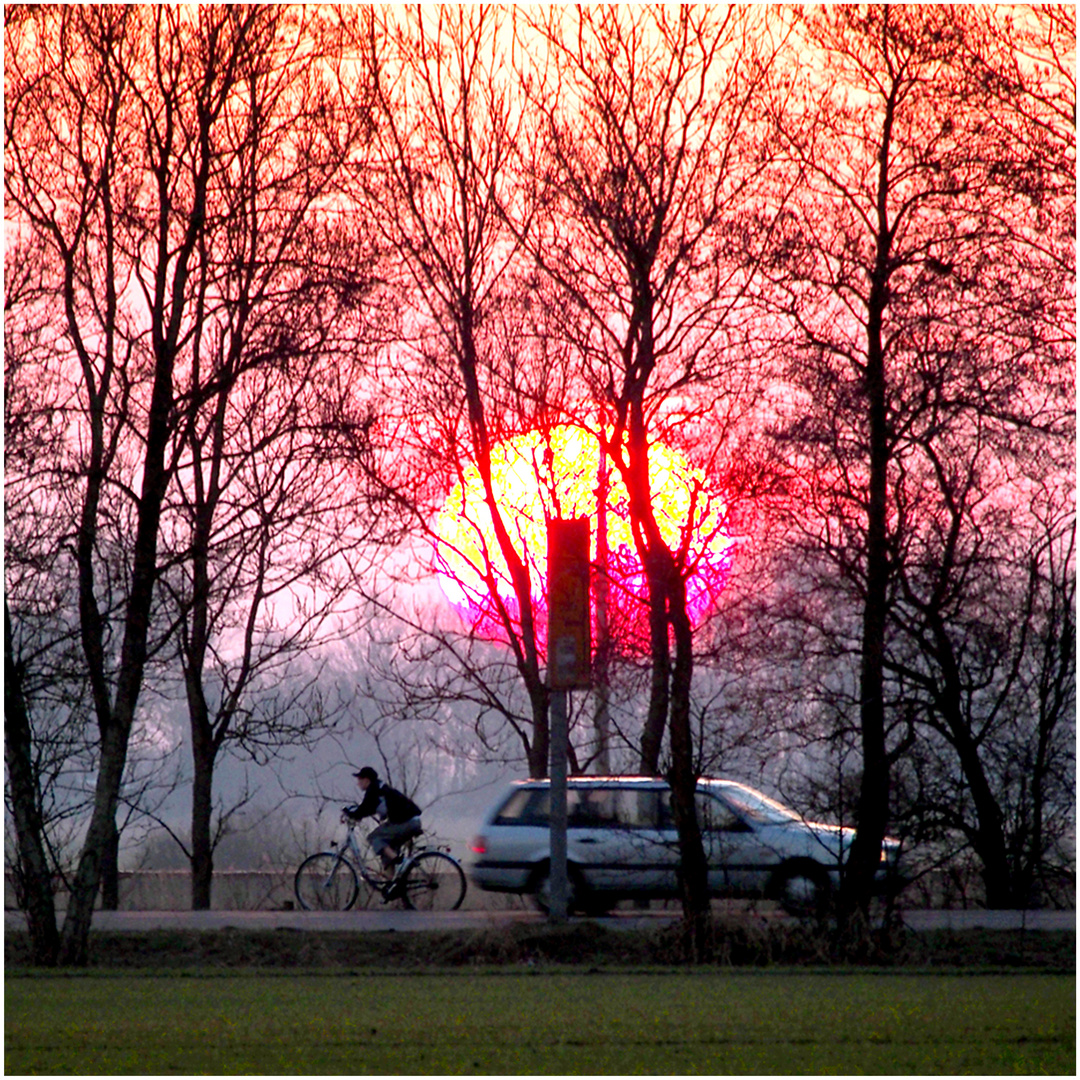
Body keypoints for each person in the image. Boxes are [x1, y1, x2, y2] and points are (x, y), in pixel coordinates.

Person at [344, 766, 422, 878]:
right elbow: (369, 809)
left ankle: (401, 861)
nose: (358, 783)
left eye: (359, 780)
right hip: (411, 821)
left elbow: (364, 808)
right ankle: (391, 882)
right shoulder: (380, 788)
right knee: (388, 848)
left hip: (406, 822)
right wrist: (357, 813)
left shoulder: (373, 790)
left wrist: (350, 813)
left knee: (374, 837)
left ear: (366, 780)